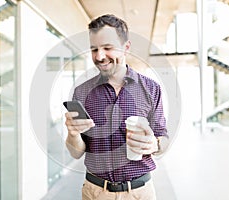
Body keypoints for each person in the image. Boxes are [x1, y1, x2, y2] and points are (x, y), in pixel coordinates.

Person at [64, 14, 168, 200]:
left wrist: (156, 144)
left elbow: (163, 137)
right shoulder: (82, 92)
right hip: (95, 192)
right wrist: (72, 134)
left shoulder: (151, 88)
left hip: (140, 193)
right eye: (94, 49)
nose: (100, 56)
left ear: (126, 47)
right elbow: (76, 153)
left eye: (107, 48)